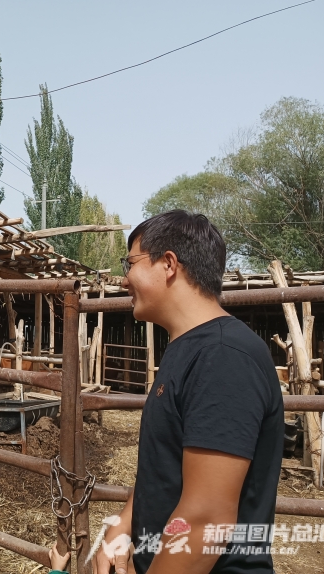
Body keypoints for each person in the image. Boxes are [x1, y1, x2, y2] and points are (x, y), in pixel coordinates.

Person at [95, 210, 283, 574]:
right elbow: (164, 467)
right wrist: (124, 525)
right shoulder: (189, 349)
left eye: (129, 263)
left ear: (168, 264)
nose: (123, 279)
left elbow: (205, 520)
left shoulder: (223, 357)